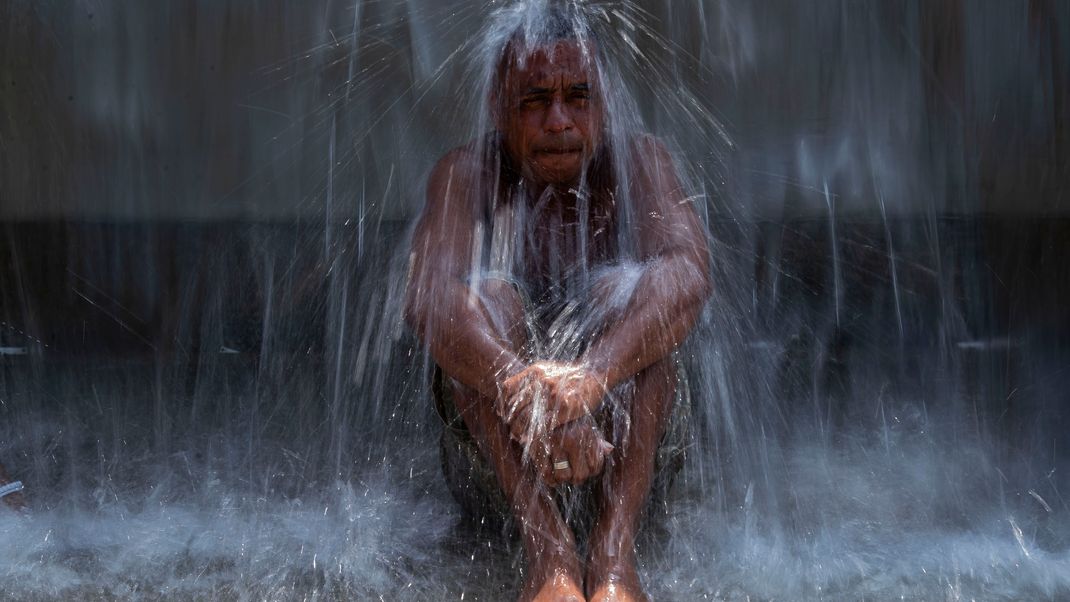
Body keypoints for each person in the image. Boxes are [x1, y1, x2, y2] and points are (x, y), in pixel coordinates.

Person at [405, 10, 710, 602]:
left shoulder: (641, 163)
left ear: (605, 104)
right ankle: (549, 557)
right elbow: (429, 298)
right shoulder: (466, 174)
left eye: (578, 97)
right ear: (498, 107)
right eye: (535, 101)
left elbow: (689, 274)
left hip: (629, 450)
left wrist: (592, 379)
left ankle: (614, 556)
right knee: (483, 304)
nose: (558, 121)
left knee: (626, 294)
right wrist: (523, 391)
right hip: (497, 464)